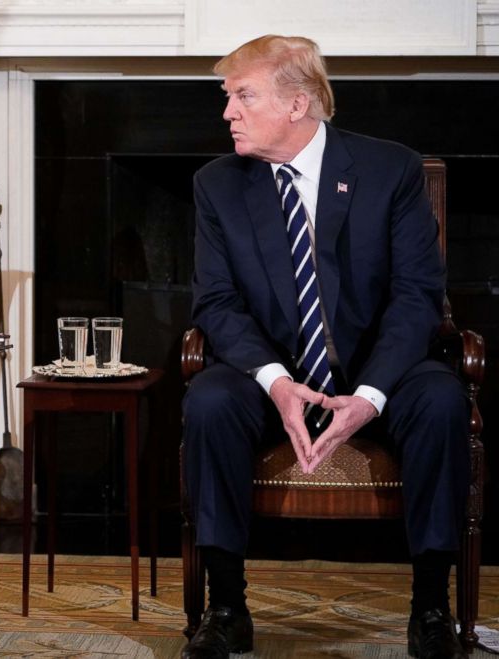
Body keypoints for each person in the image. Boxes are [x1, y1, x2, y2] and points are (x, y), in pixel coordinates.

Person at [182, 35, 469, 659]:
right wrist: (276, 381)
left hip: (377, 369)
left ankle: (432, 610)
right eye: (227, 97)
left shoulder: (389, 169)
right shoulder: (218, 184)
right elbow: (216, 302)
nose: (227, 112)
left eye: (242, 96)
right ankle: (226, 606)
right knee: (208, 400)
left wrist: (369, 396)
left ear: (298, 103)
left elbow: (418, 295)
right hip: (273, 375)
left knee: (443, 399)